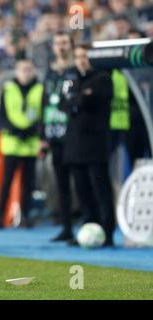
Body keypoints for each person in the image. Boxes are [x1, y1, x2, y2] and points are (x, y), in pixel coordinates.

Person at [60, 44, 115, 247]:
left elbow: (83, 101)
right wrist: (81, 98)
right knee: (82, 190)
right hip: (74, 144)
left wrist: (77, 99)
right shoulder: (72, 78)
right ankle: (89, 228)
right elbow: (63, 103)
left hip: (96, 143)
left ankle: (107, 231)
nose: (82, 60)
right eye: (78, 56)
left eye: (85, 56)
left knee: (101, 189)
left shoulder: (103, 77)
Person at [0, 57, 43, 229]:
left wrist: (32, 131)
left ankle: (26, 217)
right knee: (6, 182)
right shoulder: (8, 88)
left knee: (28, 184)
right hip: (12, 143)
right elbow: (1, 114)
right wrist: (16, 130)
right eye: (23, 69)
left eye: (29, 69)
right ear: (16, 70)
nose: (26, 72)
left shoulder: (40, 89)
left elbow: (42, 114)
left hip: (30, 143)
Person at [40, 31, 76, 241]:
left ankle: (91, 222)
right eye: (57, 43)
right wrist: (43, 135)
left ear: (71, 46)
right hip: (54, 134)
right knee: (61, 183)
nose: (61, 47)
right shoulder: (51, 73)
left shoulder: (75, 69)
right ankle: (67, 228)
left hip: (73, 134)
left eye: (64, 43)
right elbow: (45, 103)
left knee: (80, 181)